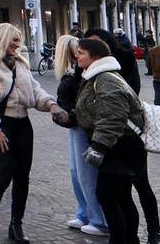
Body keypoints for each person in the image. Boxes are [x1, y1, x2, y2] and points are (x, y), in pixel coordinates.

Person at [0, 22, 66, 244]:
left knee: (23, 176)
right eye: (14, 39)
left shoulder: (20, 63)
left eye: (19, 39)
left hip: (23, 125)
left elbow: (34, 90)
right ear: (1, 38)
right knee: (3, 176)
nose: (18, 44)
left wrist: (51, 105)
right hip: (1, 125)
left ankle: (16, 224)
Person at [69, 37, 155, 244]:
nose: (77, 56)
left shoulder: (106, 78)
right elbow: (94, 109)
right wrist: (70, 117)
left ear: (95, 56)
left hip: (121, 146)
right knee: (121, 197)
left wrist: (99, 146)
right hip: (119, 144)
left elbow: (113, 115)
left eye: (81, 52)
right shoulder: (96, 76)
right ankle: (129, 240)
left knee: (108, 196)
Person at [52, 35, 108, 237]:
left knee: (86, 174)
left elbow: (83, 104)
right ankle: (85, 212)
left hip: (82, 125)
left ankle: (99, 220)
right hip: (75, 125)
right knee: (77, 172)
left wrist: (66, 113)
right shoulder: (74, 74)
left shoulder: (80, 75)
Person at [86, 28, 140, 95]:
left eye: (95, 42)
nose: (91, 47)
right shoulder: (84, 62)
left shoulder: (125, 57)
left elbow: (132, 85)